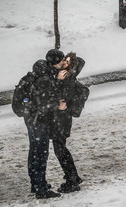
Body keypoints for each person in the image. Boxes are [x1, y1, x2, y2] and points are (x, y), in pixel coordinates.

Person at [25, 50, 69, 199]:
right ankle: (41, 189)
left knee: (34, 151)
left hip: (31, 119)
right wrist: (58, 105)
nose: (64, 62)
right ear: (54, 63)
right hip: (39, 121)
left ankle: (35, 183)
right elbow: (43, 103)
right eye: (61, 60)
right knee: (40, 155)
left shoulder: (43, 72)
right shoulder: (45, 78)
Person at [49, 52, 85, 193]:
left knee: (60, 150)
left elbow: (59, 95)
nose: (64, 62)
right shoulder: (68, 75)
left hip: (61, 119)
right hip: (61, 118)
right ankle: (72, 176)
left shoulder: (67, 77)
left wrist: (58, 80)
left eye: (67, 61)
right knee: (60, 149)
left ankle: (72, 178)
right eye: (64, 60)